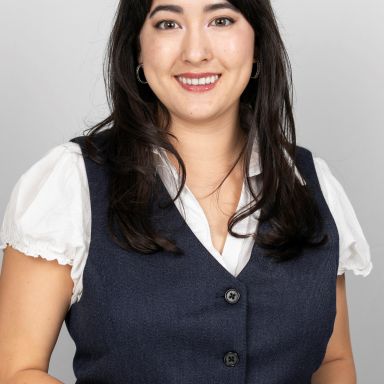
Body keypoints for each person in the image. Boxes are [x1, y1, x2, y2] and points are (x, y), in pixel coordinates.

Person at [0, 0, 373, 383]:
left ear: (258, 43)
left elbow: (333, 361)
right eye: (167, 24)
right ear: (137, 50)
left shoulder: (310, 182)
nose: (196, 52)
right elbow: (16, 369)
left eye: (222, 20)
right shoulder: (72, 181)